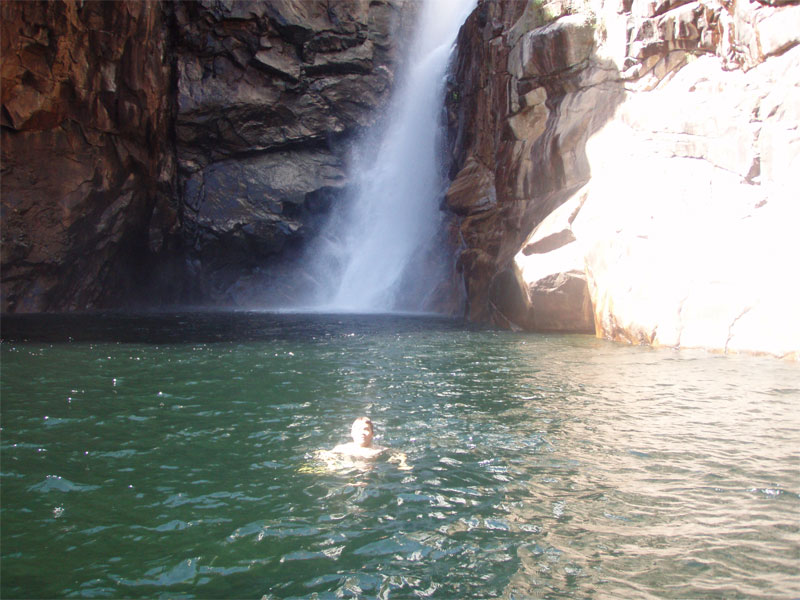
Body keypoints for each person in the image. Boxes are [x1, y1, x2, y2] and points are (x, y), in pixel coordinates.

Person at [320, 417, 411, 470]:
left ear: (372, 434)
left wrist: (403, 464)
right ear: (352, 433)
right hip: (348, 471)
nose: (362, 432)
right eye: (358, 429)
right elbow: (322, 454)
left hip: (372, 473)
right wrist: (331, 464)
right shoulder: (342, 448)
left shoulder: (379, 450)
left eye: (366, 429)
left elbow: (401, 454)